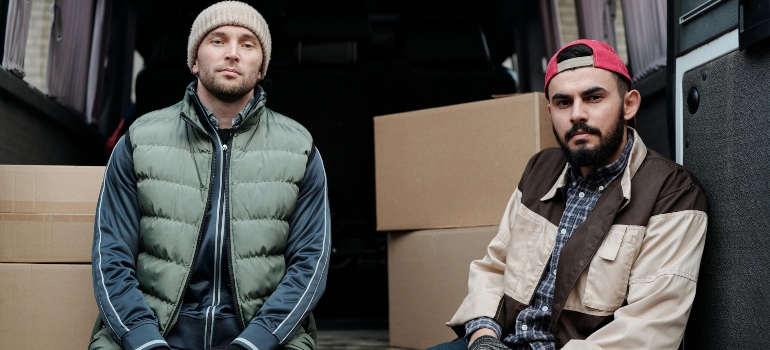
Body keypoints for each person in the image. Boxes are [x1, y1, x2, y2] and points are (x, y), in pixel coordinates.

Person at [428, 39, 708, 350]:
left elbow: (649, 328)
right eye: (563, 103)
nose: (577, 114)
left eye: (593, 98)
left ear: (629, 105)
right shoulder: (539, 170)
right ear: (550, 111)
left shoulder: (672, 192)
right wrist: (483, 338)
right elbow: (494, 268)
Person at [89, 2, 330, 349]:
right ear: (193, 60)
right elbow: (110, 258)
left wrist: (254, 342)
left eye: (248, 44)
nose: (232, 53)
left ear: (261, 66)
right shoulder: (140, 140)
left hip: (263, 336)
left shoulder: (300, 149)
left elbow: (311, 265)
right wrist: (144, 341)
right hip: (152, 330)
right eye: (217, 41)